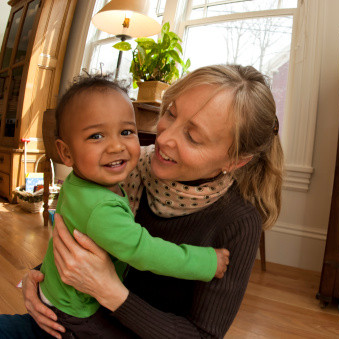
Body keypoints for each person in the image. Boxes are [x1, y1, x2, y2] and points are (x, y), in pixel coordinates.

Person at [0, 64, 283, 338]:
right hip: (63, 319)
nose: (164, 138)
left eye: (193, 137)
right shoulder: (121, 166)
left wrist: (110, 291)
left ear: (235, 161)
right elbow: (82, 236)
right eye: (171, 114)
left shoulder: (239, 222)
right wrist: (38, 280)